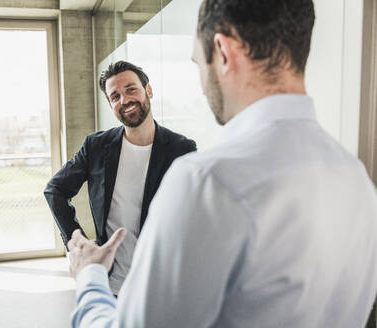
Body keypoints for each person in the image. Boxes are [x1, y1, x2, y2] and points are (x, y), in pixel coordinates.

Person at [67, 0, 377, 327]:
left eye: (198, 63)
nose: (202, 82)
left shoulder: (205, 182)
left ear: (223, 51)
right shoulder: (358, 181)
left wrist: (90, 276)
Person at [44, 61, 197, 295]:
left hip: (162, 284)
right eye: (115, 96)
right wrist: (77, 240)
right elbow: (55, 189)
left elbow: (195, 213)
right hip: (111, 284)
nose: (124, 100)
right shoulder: (96, 146)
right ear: (110, 104)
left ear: (149, 90)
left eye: (131, 89)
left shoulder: (181, 148)